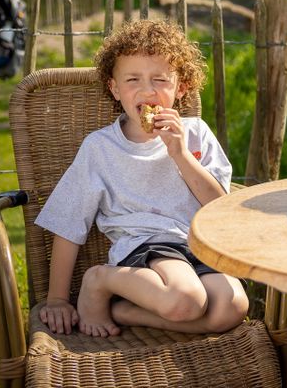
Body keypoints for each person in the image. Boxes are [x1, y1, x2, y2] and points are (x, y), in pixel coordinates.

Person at [35, 19, 248, 337]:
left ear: (181, 87)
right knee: (188, 299)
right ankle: (100, 278)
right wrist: (57, 299)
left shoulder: (196, 134)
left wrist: (180, 153)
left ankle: (124, 312)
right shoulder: (101, 148)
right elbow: (69, 222)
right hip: (146, 248)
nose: (147, 90)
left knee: (231, 308)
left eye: (160, 79)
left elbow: (221, 207)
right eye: (133, 79)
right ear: (115, 88)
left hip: (199, 245)